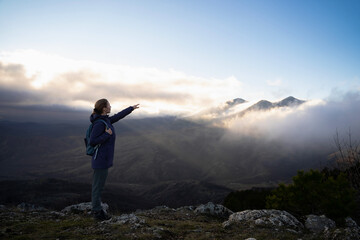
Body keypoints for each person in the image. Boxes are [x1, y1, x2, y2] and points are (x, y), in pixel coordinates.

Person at [89, 98, 139, 220]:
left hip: (103, 159)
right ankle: (97, 213)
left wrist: (130, 108)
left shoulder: (105, 120)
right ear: (104, 108)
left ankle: (97, 210)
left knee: (99, 186)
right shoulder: (100, 123)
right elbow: (92, 141)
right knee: (98, 187)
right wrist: (107, 134)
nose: (110, 106)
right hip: (100, 160)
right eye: (109, 105)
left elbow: (118, 116)